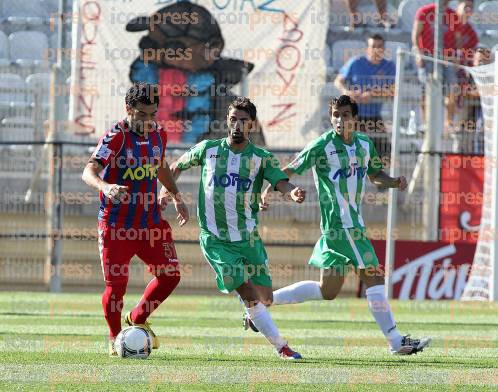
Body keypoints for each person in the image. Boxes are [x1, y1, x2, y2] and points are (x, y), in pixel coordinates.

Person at [259, 95, 431, 355]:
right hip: (342, 224)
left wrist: (394, 181)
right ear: (331, 118)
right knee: (373, 274)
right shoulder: (322, 145)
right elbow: (292, 167)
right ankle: (396, 341)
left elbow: (374, 175)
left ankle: (261, 305)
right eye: (336, 115)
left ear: (355, 118)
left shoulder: (364, 144)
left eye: (345, 115)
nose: (340, 120)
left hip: (348, 226)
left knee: (327, 291)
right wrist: (270, 190)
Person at [161, 97, 306, 360]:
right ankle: (282, 347)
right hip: (215, 239)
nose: (237, 125)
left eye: (243, 121)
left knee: (266, 298)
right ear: (227, 121)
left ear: (251, 125)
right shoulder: (209, 149)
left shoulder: (262, 159)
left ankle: (253, 315)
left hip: (248, 238)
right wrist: (167, 194)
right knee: (247, 291)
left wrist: (292, 191)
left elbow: (280, 182)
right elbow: (175, 167)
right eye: (232, 119)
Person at [81, 82, 189, 356]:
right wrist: (106, 187)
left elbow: (160, 165)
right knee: (117, 287)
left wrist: (175, 194)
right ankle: (115, 338)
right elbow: (89, 170)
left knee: (170, 276)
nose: (148, 121)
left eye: (153, 114)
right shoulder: (115, 137)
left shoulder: (158, 134)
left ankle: (137, 319)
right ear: (128, 109)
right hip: (117, 225)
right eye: (142, 115)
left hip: (150, 222)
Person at [334, 33, 395, 157]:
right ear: (367, 49)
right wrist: (347, 92)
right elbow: (338, 81)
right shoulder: (355, 62)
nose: (376, 49)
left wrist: (372, 95)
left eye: (380, 46)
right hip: (353, 117)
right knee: (348, 155)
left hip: (374, 118)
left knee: (384, 156)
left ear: (384, 49)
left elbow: (393, 91)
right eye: (373, 46)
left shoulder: (390, 66)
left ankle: (377, 176)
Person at [412, 0, 462, 129]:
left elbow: (458, 39)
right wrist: (418, 53)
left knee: (451, 91)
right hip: (427, 57)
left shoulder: (453, 15)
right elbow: (416, 35)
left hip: (447, 59)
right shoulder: (424, 12)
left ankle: (448, 124)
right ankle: (425, 124)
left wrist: (457, 56)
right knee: (426, 90)